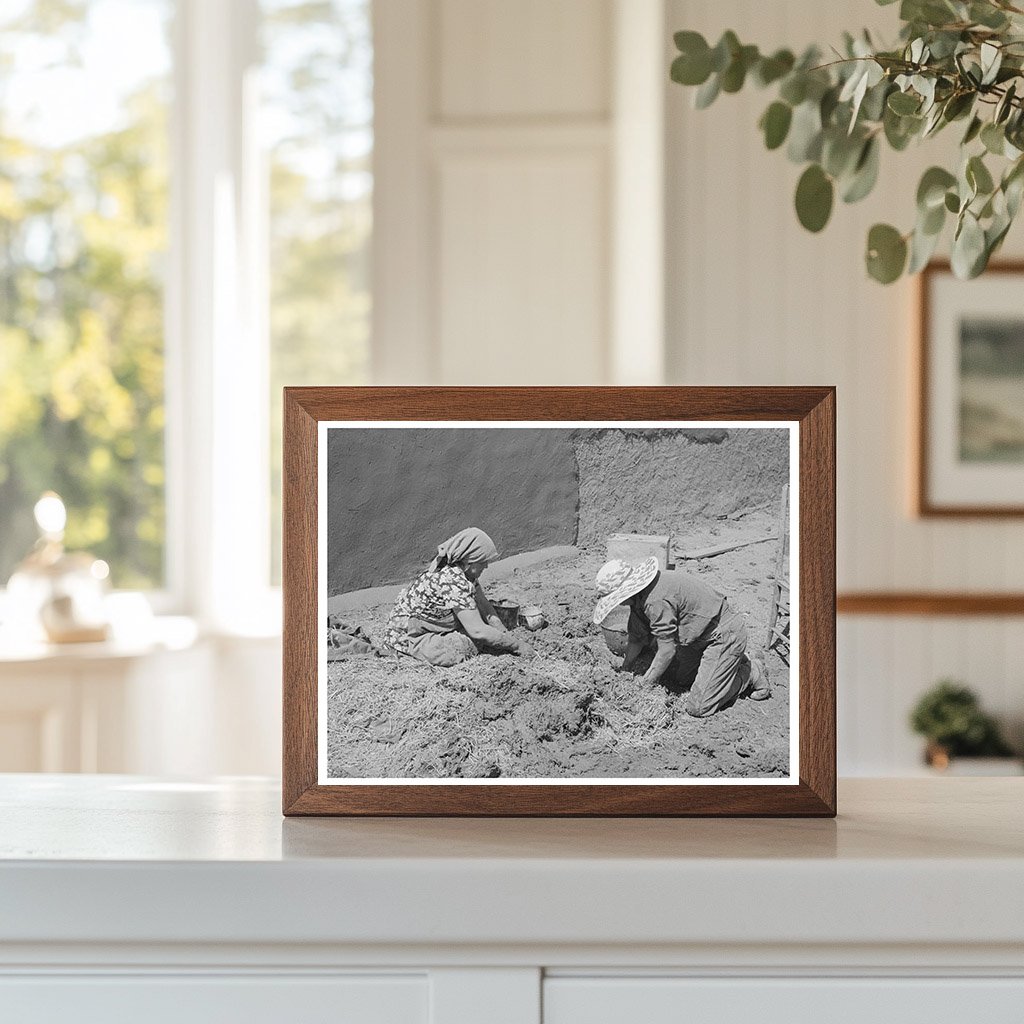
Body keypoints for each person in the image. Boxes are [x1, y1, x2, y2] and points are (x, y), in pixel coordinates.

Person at [592, 557, 770, 718]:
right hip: (697, 638)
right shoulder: (639, 598)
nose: (619, 603)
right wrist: (626, 669)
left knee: (699, 706)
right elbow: (637, 639)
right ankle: (724, 667)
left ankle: (750, 672)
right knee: (680, 678)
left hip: (723, 635)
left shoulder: (655, 601)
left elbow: (667, 651)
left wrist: (644, 685)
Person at [384, 527, 532, 667]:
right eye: (483, 562)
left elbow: (484, 605)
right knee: (464, 646)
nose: (486, 566)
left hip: (437, 624)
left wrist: (503, 633)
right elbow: (477, 630)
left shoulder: (466, 574)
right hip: (411, 636)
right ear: (469, 560)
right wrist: (517, 645)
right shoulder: (452, 580)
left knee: (485, 631)